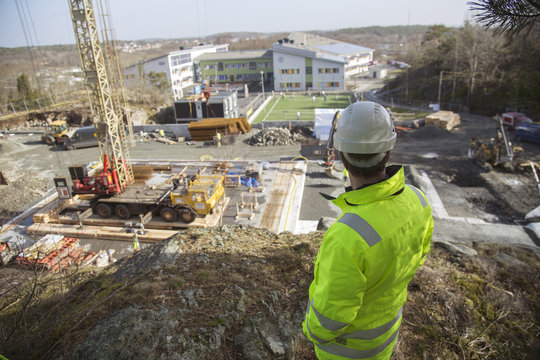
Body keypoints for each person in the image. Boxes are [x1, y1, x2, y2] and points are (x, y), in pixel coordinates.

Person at [302, 101, 433, 360]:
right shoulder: (418, 200)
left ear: (340, 154)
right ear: (389, 151)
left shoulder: (346, 237)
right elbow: (418, 256)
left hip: (345, 352)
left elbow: (328, 318)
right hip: (386, 337)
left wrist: (310, 332)